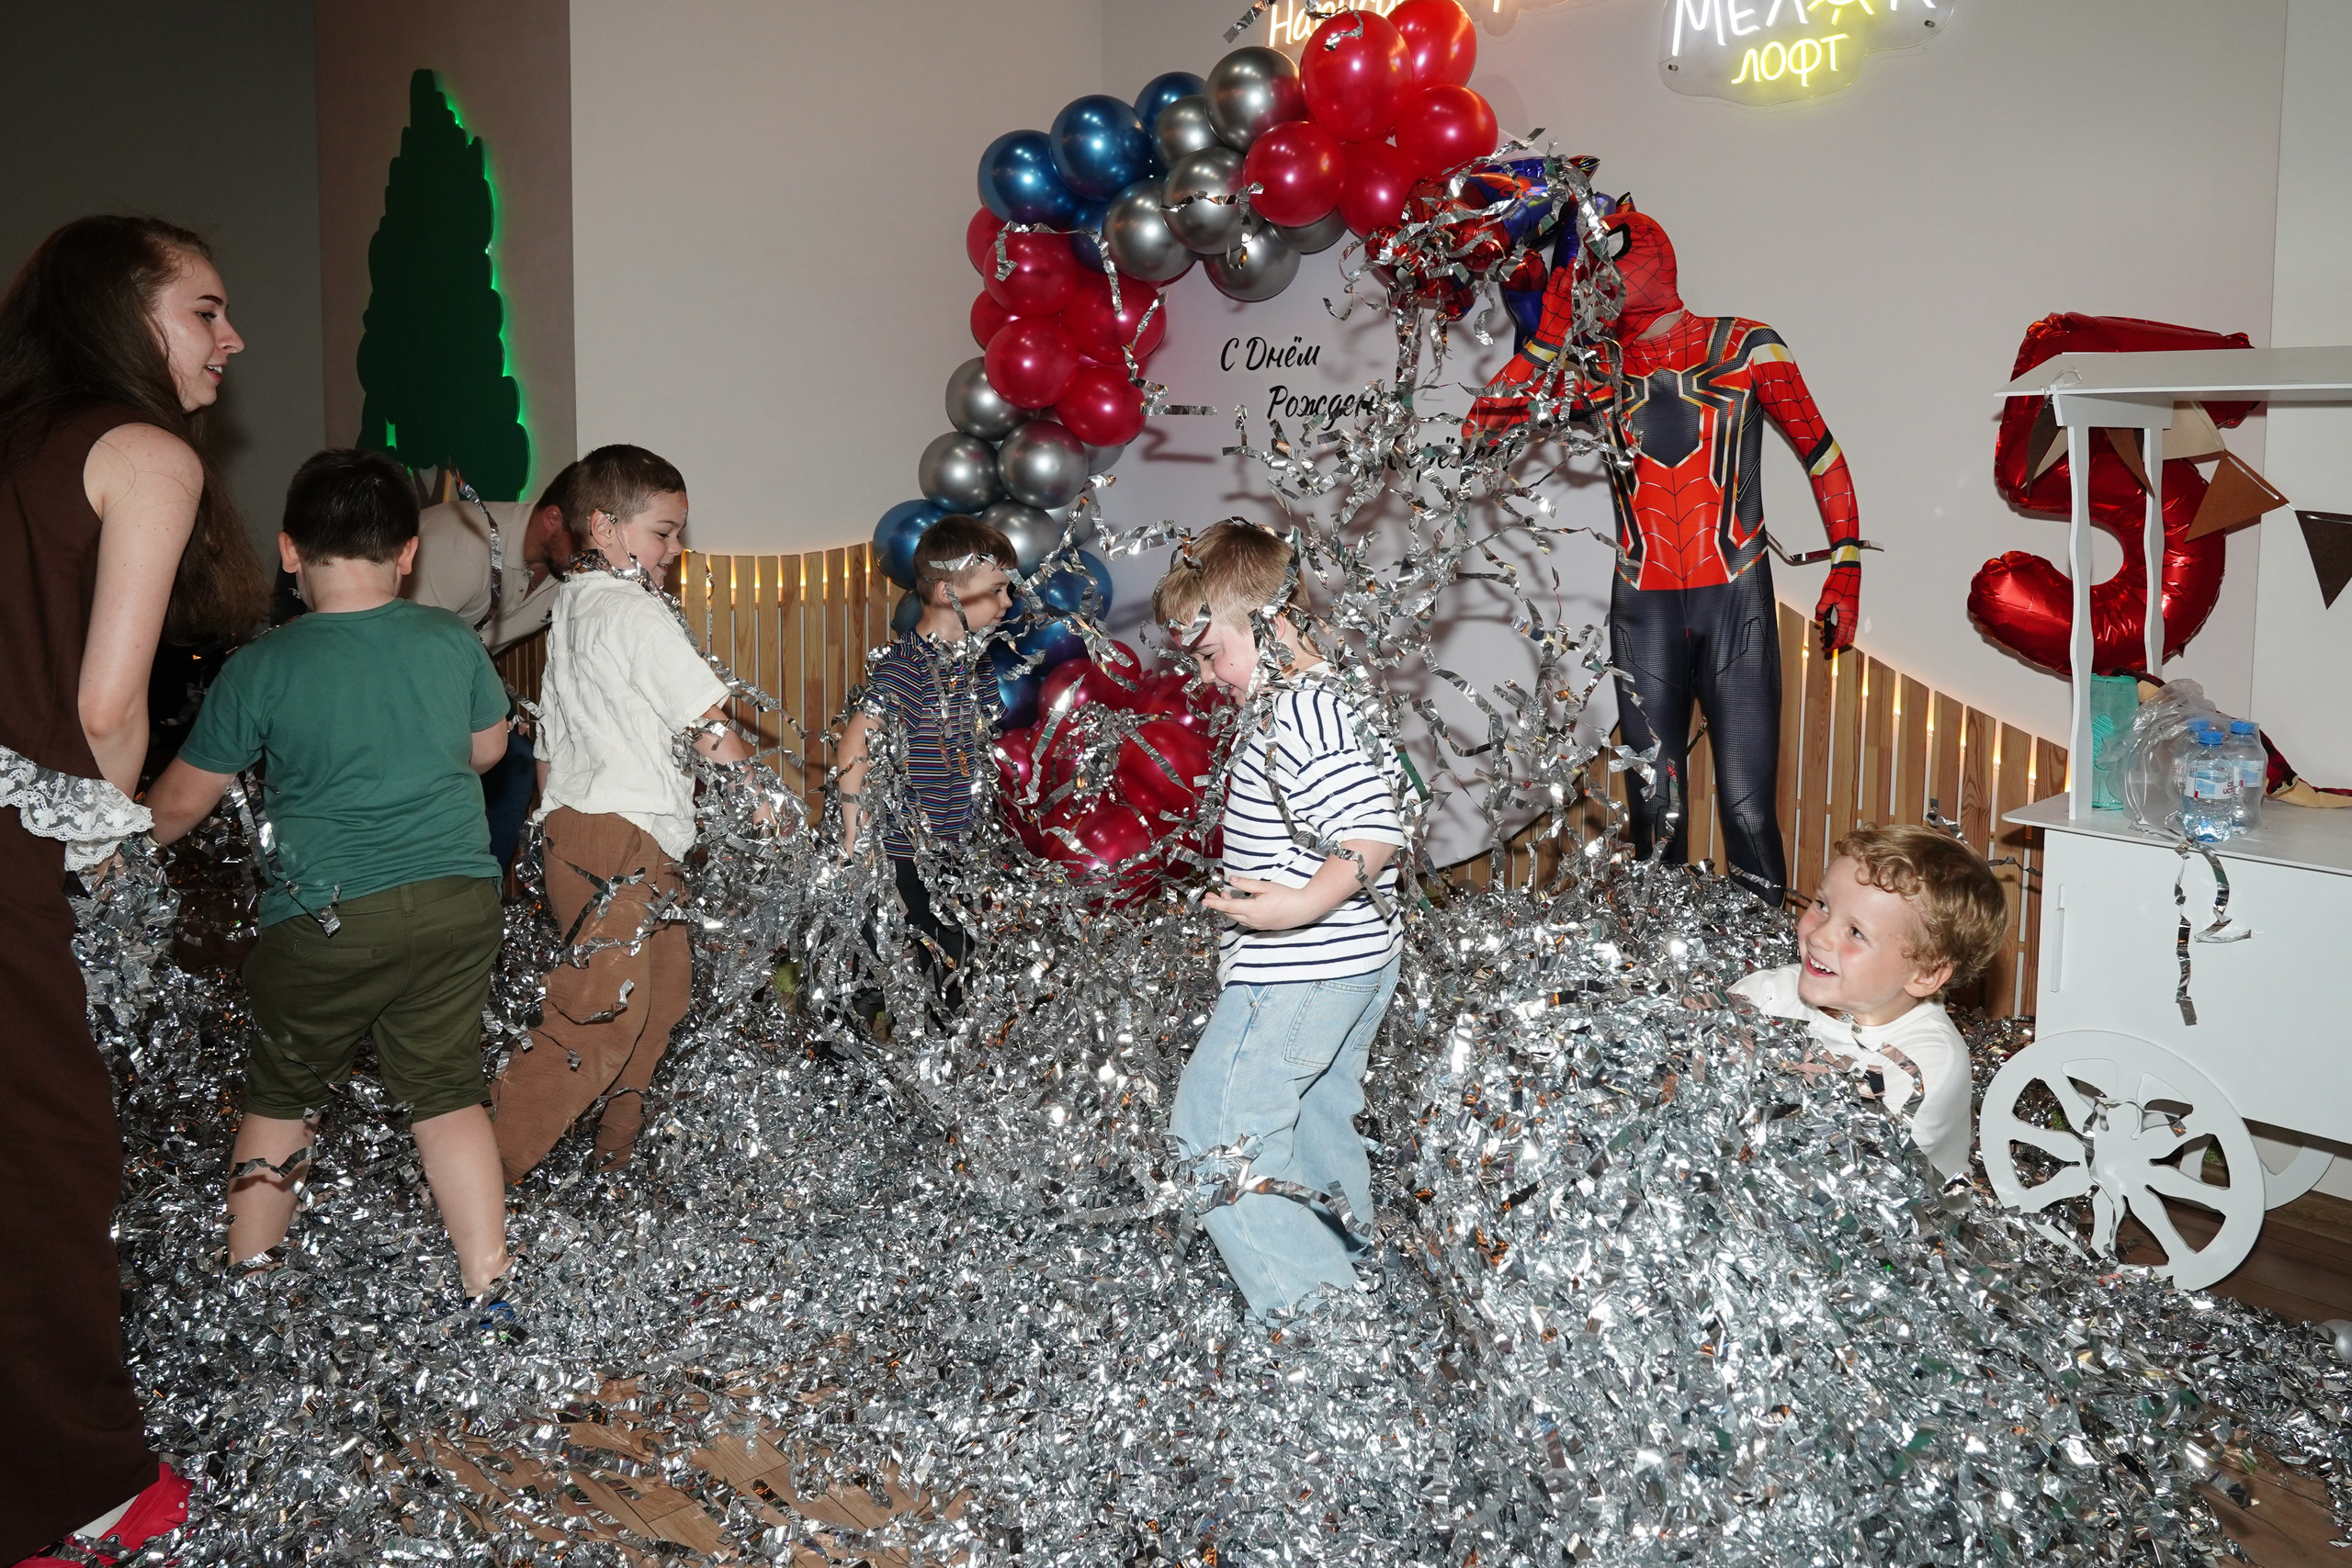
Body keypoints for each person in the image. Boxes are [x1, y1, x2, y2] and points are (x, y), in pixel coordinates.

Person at [0, 215, 267, 1565]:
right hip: (15, 843)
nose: (233, 339)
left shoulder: (16, 443)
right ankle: (75, 1490)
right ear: (125, 313)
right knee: (49, 1163)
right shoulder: (145, 451)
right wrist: (106, 854)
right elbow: (106, 710)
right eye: (204, 311)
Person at [145, 449, 516, 1314]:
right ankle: (490, 1283)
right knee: (447, 1094)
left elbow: (181, 804)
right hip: (458, 903)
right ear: (408, 553)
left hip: (327, 920)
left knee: (283, 1096)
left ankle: (251, 1295)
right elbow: (489, 749)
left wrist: (107, 841)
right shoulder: (450, 639)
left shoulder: (262, 666)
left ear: (288, 550)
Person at [1466, 201, 1864, 908]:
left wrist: (1848, 565)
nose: (1598, 274)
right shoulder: (1599, 370)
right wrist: (1546, 341)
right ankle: (1658, 963)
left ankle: (1769, 967)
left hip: (1734, 597)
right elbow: (1481, 434)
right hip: (1643, 605)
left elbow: (1821, 451)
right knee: (1655, 816)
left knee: (1747, 810)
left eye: (1609, 254)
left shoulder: (1746, 346)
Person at [1157, 523, 1407, 1322]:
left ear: (1269, 623)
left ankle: (1311, 1325)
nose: (1205, 676)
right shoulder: (1327, 695)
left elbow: (1373, 831)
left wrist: (1296, 907)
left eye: (1211, 654)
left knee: (1216, 1136)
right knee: (1316, 1124)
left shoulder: (1303, 711)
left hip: (1302, 970)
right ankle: (1356, 1277)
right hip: (1349, 962)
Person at [487, 444, 752, 1181]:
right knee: (599, 1014)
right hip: (618, 836)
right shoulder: (633, 610)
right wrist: (763, 799)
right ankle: (483, 1171)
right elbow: (705, 720)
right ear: (604, 527)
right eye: (663, 531)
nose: (675, 548)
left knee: (660, 1001)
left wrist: (552, 829)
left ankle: (615, 1161)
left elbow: (553, 745)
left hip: (605, 834)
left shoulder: (574, 607)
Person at [1731, 824, 2007, 1181]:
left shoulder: (1924, 1065)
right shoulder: (1771, 993)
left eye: (1856, 932)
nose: (1819, 935)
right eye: (1822, 905)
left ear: (1924, 974)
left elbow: (1855, 1167)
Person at [834, 514, 1017, 1010]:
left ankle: (946, 1049)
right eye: (997, 590)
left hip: (956, 849)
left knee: (958, 971)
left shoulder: (976, 667)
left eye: (1008, 591)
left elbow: (985, 750)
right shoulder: (907, 668)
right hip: (903, 855)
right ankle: (839, 1053)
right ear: (946, 593)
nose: (1007, 602)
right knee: (871, 976)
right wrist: (856, 840)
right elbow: (853, 746)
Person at [403, 464, 579, 866]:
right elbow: (410, 648)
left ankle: (484, 888)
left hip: (460, 687)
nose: (594, 550)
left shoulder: (570, 570)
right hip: (396, 688)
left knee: (518, 764)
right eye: (584, 535)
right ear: (553, 518)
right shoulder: (464, 542)